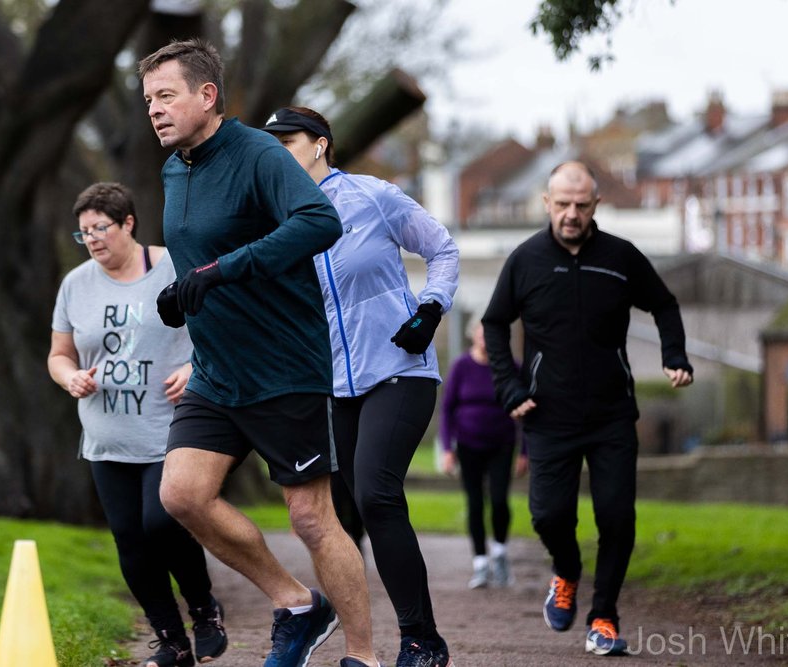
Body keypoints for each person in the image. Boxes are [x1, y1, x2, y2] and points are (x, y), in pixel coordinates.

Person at [139, 40, 380, 667]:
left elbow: (318, 221)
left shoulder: (258, 155)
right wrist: (181, 292)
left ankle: (364, 656)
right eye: (148, 101)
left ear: (206, 95)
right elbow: (198, 252)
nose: (155, 111)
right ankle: (298, 604)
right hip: (217, 372)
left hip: (283, 369)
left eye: (166, 96)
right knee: (183, 495)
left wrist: (221, 273)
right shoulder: (175, 168)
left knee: (312, 518)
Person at [262, 106, 459, 667]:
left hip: (400, 368)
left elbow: (442, 248)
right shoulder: (279, 222)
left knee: (376, 492)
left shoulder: (373, 196)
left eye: (289, 141)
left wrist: (431, 308)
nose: (278, 152)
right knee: (341, 514)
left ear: (320, 144)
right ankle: (355, 646)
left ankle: (423, 641)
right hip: (333, 386)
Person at [481, 161, 694, 657]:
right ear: (546, 203)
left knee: (617, 517)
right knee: (549, 516)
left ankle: (604, 616)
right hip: (547, 415)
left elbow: (664, 304)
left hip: (611, 414)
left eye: (581, 205)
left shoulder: (619, 257)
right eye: (562, 204)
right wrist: (510, 389)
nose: (571, 214)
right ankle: (567, 570)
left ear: (596, 204)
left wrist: (674, 356)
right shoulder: (525, 260)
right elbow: (494, 324)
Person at [47, 182, 226, 667]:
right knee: (129, 538)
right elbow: (59, 355)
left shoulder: (173, 266)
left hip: (170, 429)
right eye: (83, 232)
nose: (92, 240)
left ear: (128, 223)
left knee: (161, 522)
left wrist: (194, 368)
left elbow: (221, 328)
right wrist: (71, 379)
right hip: (107, 436)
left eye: (100, 228)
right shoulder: (76, 284)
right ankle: (170, 639)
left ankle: (205, 609)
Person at [439, 320, 528, 590]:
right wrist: (446, 449)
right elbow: (447, 410)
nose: (486, 338)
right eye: (481, 333)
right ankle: (480, 563)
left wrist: (525, 452)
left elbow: (526, 410)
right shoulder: (461, 367)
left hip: (502, 444)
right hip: (467, 445)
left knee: (499, 500)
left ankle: (499, 552)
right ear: (473, 336)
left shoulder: (511, 367)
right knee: (475, 502)